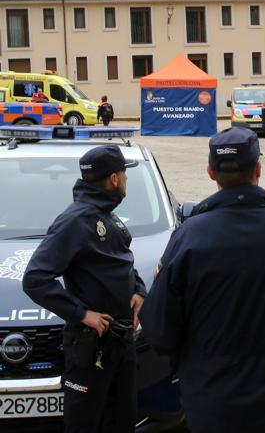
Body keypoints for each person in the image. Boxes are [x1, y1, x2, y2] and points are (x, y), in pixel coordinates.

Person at [139, 127, 265, 433]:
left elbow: (159, 329)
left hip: (210, 396)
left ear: (210, 173)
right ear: (258, 169)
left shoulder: (189, 237)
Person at [23, 145, 145, 433]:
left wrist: (138, 290)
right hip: (93, 346)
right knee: (85, 425)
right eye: (124, 174)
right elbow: (35, 279)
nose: (126, 180)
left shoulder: (105, 214)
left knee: (121, 422)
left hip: (120, 340)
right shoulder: (76, 220)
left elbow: (118, 262)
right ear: (114, 178)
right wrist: (82, 314)